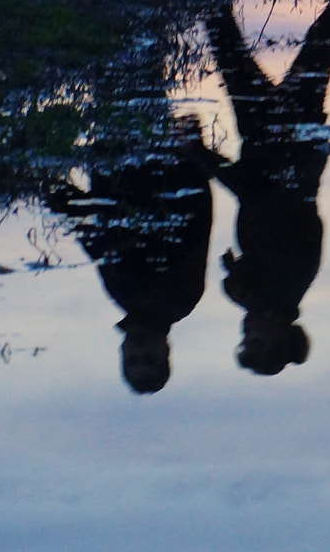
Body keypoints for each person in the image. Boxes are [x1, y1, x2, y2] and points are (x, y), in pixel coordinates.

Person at [204, 0, 330, 375]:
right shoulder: (283, 282)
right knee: (304, 46)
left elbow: (268, 212)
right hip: (285, 143)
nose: (249, 331)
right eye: (259, 339)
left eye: (246, 338)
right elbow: (261, 197)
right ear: (284, 335)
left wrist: (240, 272)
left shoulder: (276, 288)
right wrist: (204, 159)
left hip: (277, 145)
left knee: (314, 45)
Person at [49, 144, 215, 395]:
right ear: (165, 350)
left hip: (118, 164)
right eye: (149, 358)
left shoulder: (128, 301)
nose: (139, 350)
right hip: (155, 161)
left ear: (122, 353)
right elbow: (115, 238)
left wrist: (56, 197)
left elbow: (97, 240)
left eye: (132, 359)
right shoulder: (177, 298)